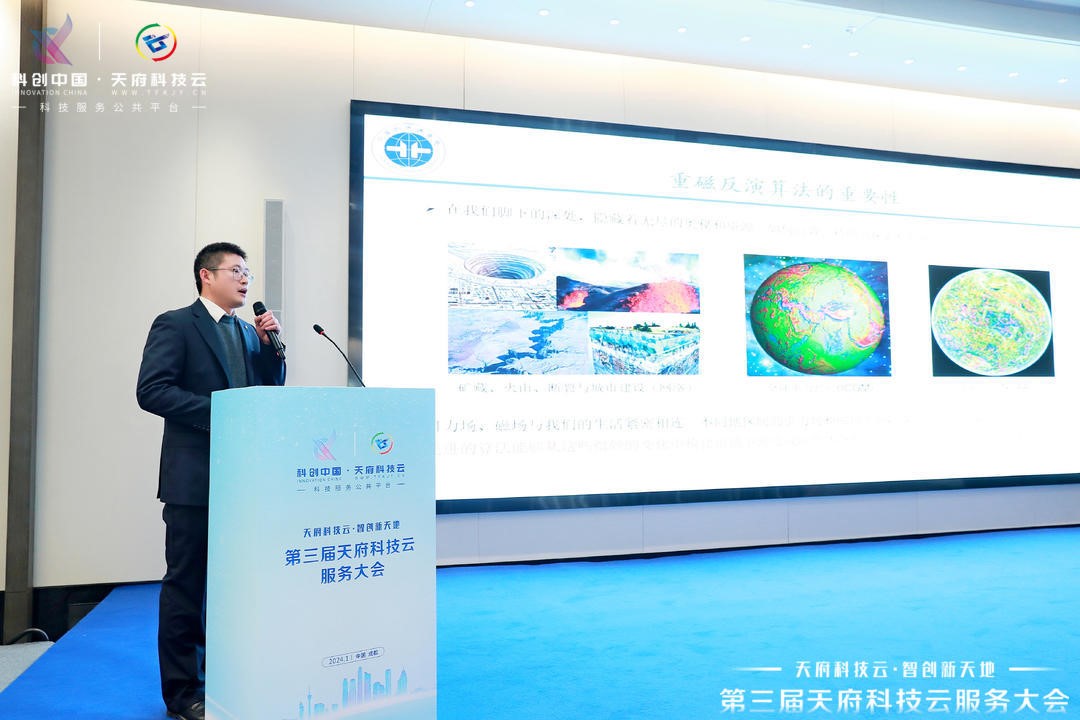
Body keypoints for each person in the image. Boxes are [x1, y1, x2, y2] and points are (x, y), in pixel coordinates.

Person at [137, 242, 286, 720]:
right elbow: (152, 390)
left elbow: (266, 393)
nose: (245, 280)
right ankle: (184, 692)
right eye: (236, 270)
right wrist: (221, 412)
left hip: (242, 482)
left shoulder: (247, 331)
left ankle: (225, 678)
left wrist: (271, 351)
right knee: (187, 587)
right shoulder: (176, 324)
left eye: (248, 273)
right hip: (194, 480)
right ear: (206, 275)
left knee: (232, 588)